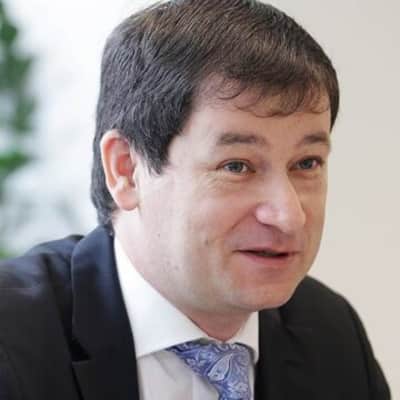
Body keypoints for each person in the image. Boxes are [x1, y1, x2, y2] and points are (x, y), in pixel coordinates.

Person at [0, 1, 391, 399]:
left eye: (307, 163)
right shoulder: (12, 342)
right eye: (237, 166)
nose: (288, 216)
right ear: (126, 169)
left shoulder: (331, 336)